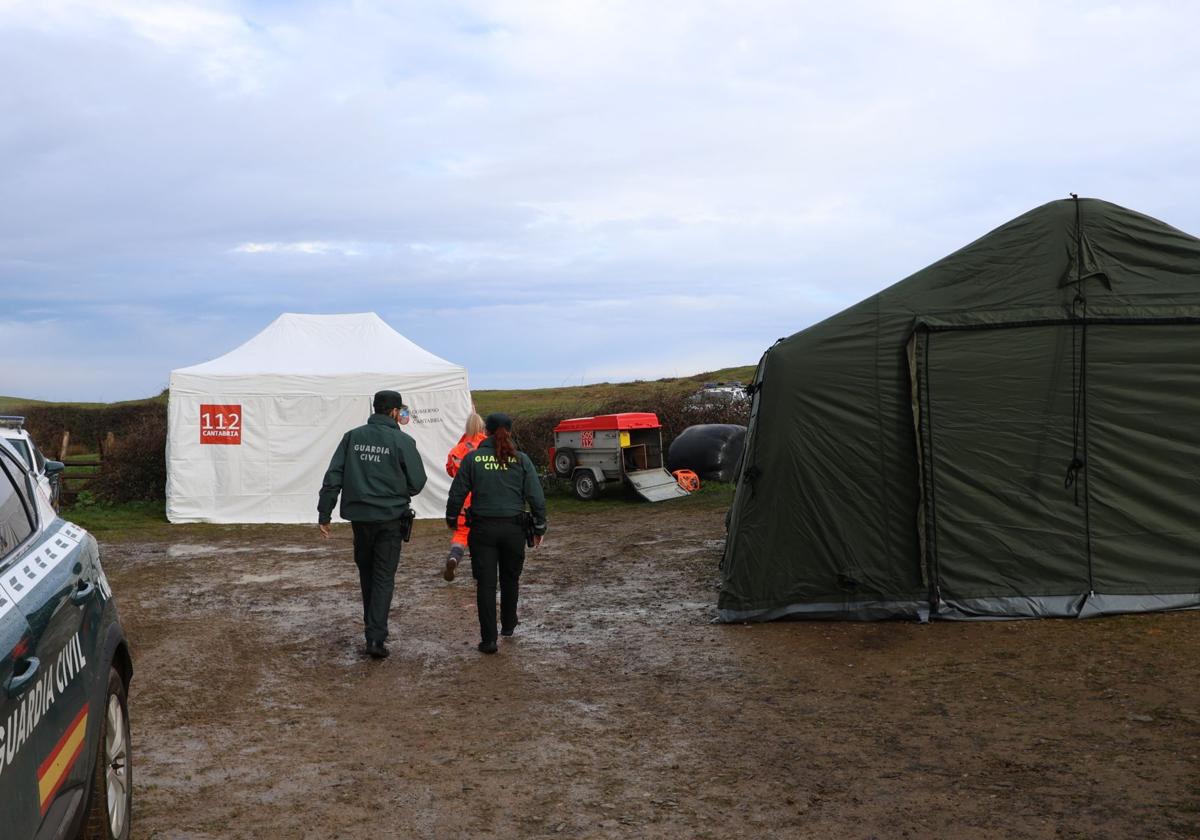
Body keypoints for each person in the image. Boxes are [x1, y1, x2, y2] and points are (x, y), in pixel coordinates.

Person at [318, 390, 427, 659]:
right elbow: (418, 481)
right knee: (383, 577)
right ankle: (375, 637)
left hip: (361, 519)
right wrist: (397, 492)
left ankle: (373, 629)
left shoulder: (352, 437)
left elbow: (334, 476)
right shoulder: (402, 441)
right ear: (393, 411)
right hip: (390, 518)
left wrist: (325, 513)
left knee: (367, 574)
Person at [446, 412, 547, 654]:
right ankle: (509, 625)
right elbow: (535, 495)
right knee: (511, 579)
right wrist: (540, 526)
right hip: (514, 529)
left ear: (487, 431)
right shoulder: (521, 459)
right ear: (509, 432)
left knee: (486, 584)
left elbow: (457, 492)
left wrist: (451, 518)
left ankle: (489, 640)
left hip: (482, 530)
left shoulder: (472, 459)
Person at [443, 412, 487, 581]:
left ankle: (454, 557)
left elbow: (450, 470)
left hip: (464, 501)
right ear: (483, 427)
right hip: (484, 499)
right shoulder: (488, 447)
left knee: (461, 534)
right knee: (485, 535)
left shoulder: (457, 450)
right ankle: (482, 570)